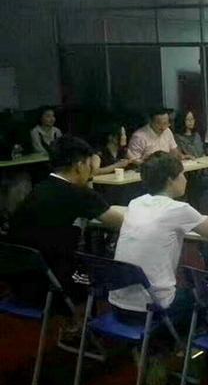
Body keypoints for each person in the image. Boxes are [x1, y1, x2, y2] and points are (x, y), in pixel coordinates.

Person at [8, 136, 124, 318]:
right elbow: (121, 222)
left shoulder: (38, 189)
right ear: (79, 166)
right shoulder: (79, 194)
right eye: (89, 165)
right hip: (54, 284)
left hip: (20, 282)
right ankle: (83, 327)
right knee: (106, 275)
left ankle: (73, 324)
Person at [108, 152, 208, 321]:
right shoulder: (179, 209)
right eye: (182, 174)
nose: (185, 180)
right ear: (170, 180)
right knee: (202, 295)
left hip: (117, 305)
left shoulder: (135, 203)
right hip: (153, 308)